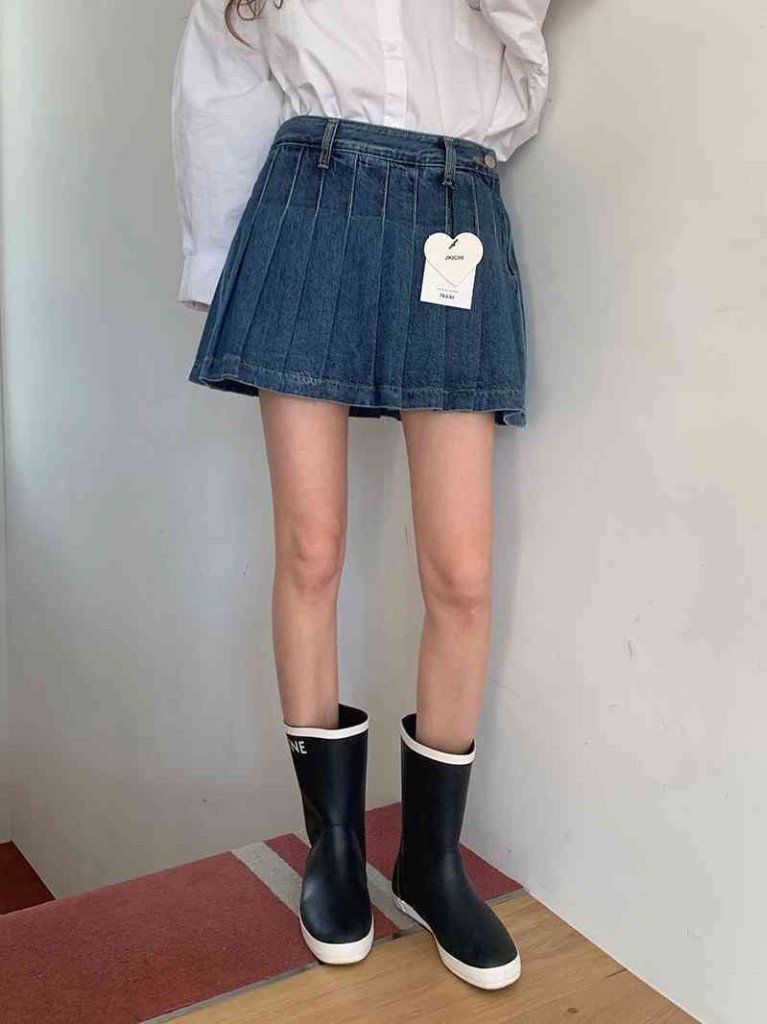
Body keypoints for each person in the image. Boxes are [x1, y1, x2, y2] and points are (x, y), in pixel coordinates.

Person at [171, 0, 550, 991]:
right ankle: (333, 847)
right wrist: (216, 261)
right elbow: (217, 92)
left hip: (452, 201)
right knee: (310, 549)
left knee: (461, 576)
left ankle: (430, 860)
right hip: (310, 199)